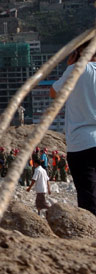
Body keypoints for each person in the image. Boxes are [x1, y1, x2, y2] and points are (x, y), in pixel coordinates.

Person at [51, 40, 96, 215]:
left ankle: (90, 237)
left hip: (81, 143)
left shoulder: (75, 70)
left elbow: (54, 92)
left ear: (78, 51)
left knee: (88, 197)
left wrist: (70, 66)